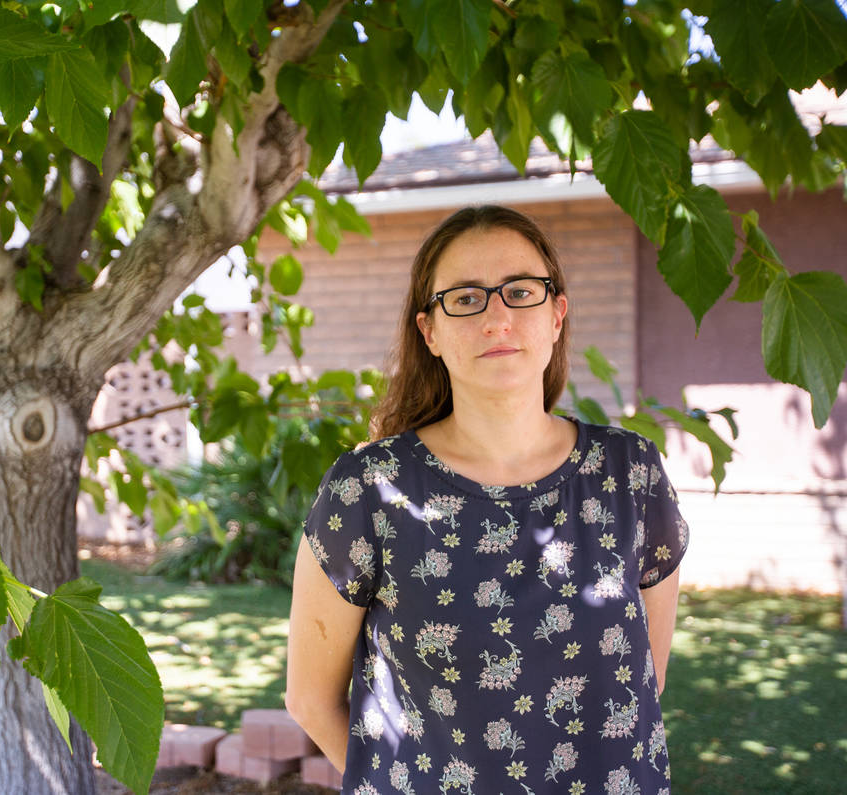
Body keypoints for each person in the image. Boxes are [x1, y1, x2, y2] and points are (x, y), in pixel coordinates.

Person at [285, 205, 687, 795]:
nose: (498, 318)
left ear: (557, 314)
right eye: (467, 299)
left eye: (520, 291)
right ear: (431, 332)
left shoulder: (631, 474)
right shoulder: (367, 490)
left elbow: (642, 675)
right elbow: (309, 700)